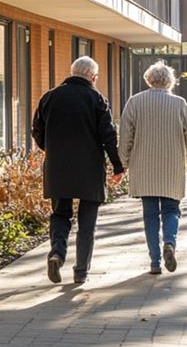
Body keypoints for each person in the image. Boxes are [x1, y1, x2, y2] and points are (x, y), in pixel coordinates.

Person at [33, 56, 124, 285]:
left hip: (58, 168)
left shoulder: (50, 97)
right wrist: (118, 165)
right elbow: (108, 136)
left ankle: (57, 253)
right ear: (93, 77)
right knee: (87, 222)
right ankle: (81, 271)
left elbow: (37, 130)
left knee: (60, 214)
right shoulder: (97, 99)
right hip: (90, 170)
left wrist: (51, 148)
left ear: (72, 72)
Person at [118, 61, 187, 275]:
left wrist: (123, 162)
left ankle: (154, 262)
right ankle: (170, 243)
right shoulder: (180, 104)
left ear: (148, 80)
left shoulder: (135, 102)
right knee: (172, 210)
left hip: (144, 168)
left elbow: (125, 136)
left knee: (150, 215)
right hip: (173, 166)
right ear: (170, 82)